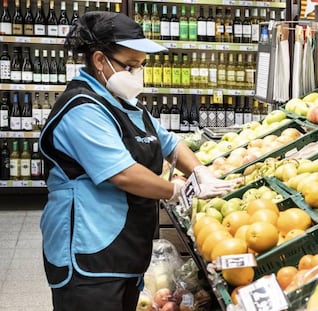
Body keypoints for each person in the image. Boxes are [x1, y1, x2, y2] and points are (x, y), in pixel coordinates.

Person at [38, 11, 239, 311]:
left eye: (141, 66)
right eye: (130, 66)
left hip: (125, 248)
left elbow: (170, 143)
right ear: (99, 60)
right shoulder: (81, 109)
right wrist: (175, 191)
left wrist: (200, 171)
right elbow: (122, 173)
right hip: (88, 252)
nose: (137, 74)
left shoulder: (127, 105)